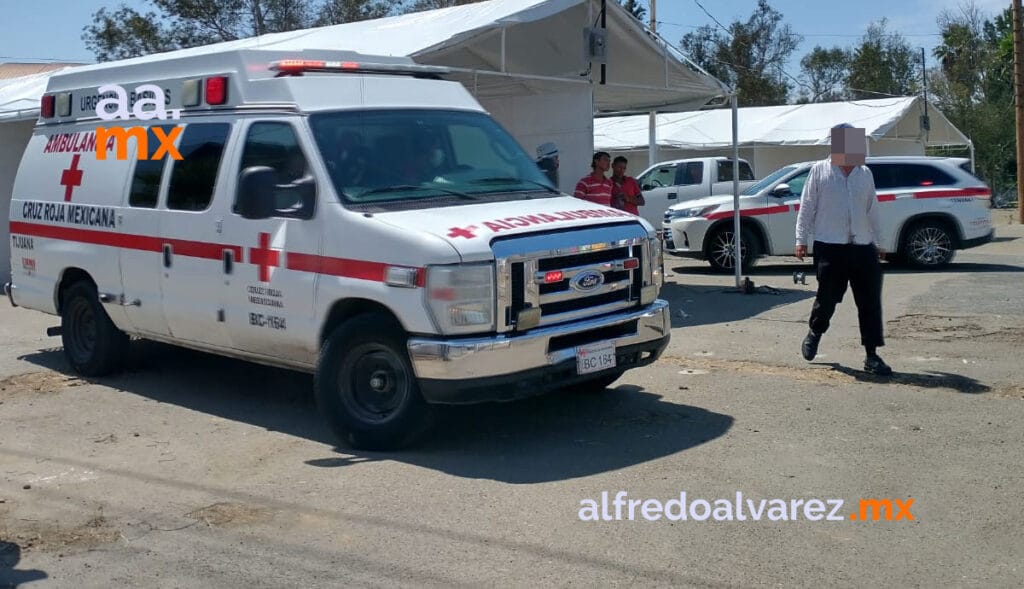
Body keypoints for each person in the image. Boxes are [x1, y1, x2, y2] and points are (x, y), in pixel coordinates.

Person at [795, 123, 891, 376]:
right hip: (830, 246)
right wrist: (800, 239)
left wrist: (880, 243)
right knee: (828, 297)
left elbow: (872, 209)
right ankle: (815, 331)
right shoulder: (820, 171)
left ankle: (872, 355)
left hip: (862, 246)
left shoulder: (865, 174)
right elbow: (807, 206)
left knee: (869, 302)